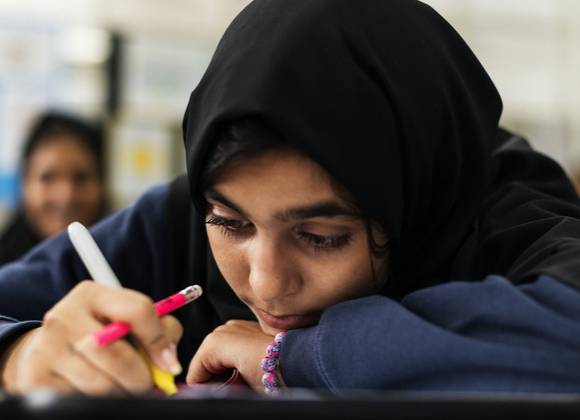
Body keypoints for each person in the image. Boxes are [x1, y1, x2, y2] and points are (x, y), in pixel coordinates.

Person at [3, 0, 580, 395]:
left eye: (321, 236)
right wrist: (21, 354)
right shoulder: (183, 216)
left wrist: (292, 358)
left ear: (412, 200)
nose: (267, 283)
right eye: (232, 225)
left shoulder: (502, 215)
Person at [0, 111, 107, 265]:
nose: (66, 196)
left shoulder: (130, 266)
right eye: (48, 178)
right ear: (25, 182)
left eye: (81, 178)